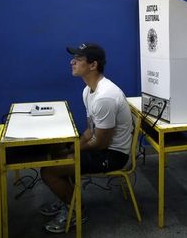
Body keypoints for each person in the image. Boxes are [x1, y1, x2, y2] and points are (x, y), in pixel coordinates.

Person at [40, 42, 133, 233]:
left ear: (93, 65)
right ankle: (67, 198)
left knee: (49, 171)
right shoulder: (88, 91)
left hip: (113, 154)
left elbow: (101, 142)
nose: (72, 62)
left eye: (79, 59)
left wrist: (73, 151)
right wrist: (70, 149)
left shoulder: (105, 97)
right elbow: (90, 131)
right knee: (55, 151)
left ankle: (75, 211)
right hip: (102, 147)